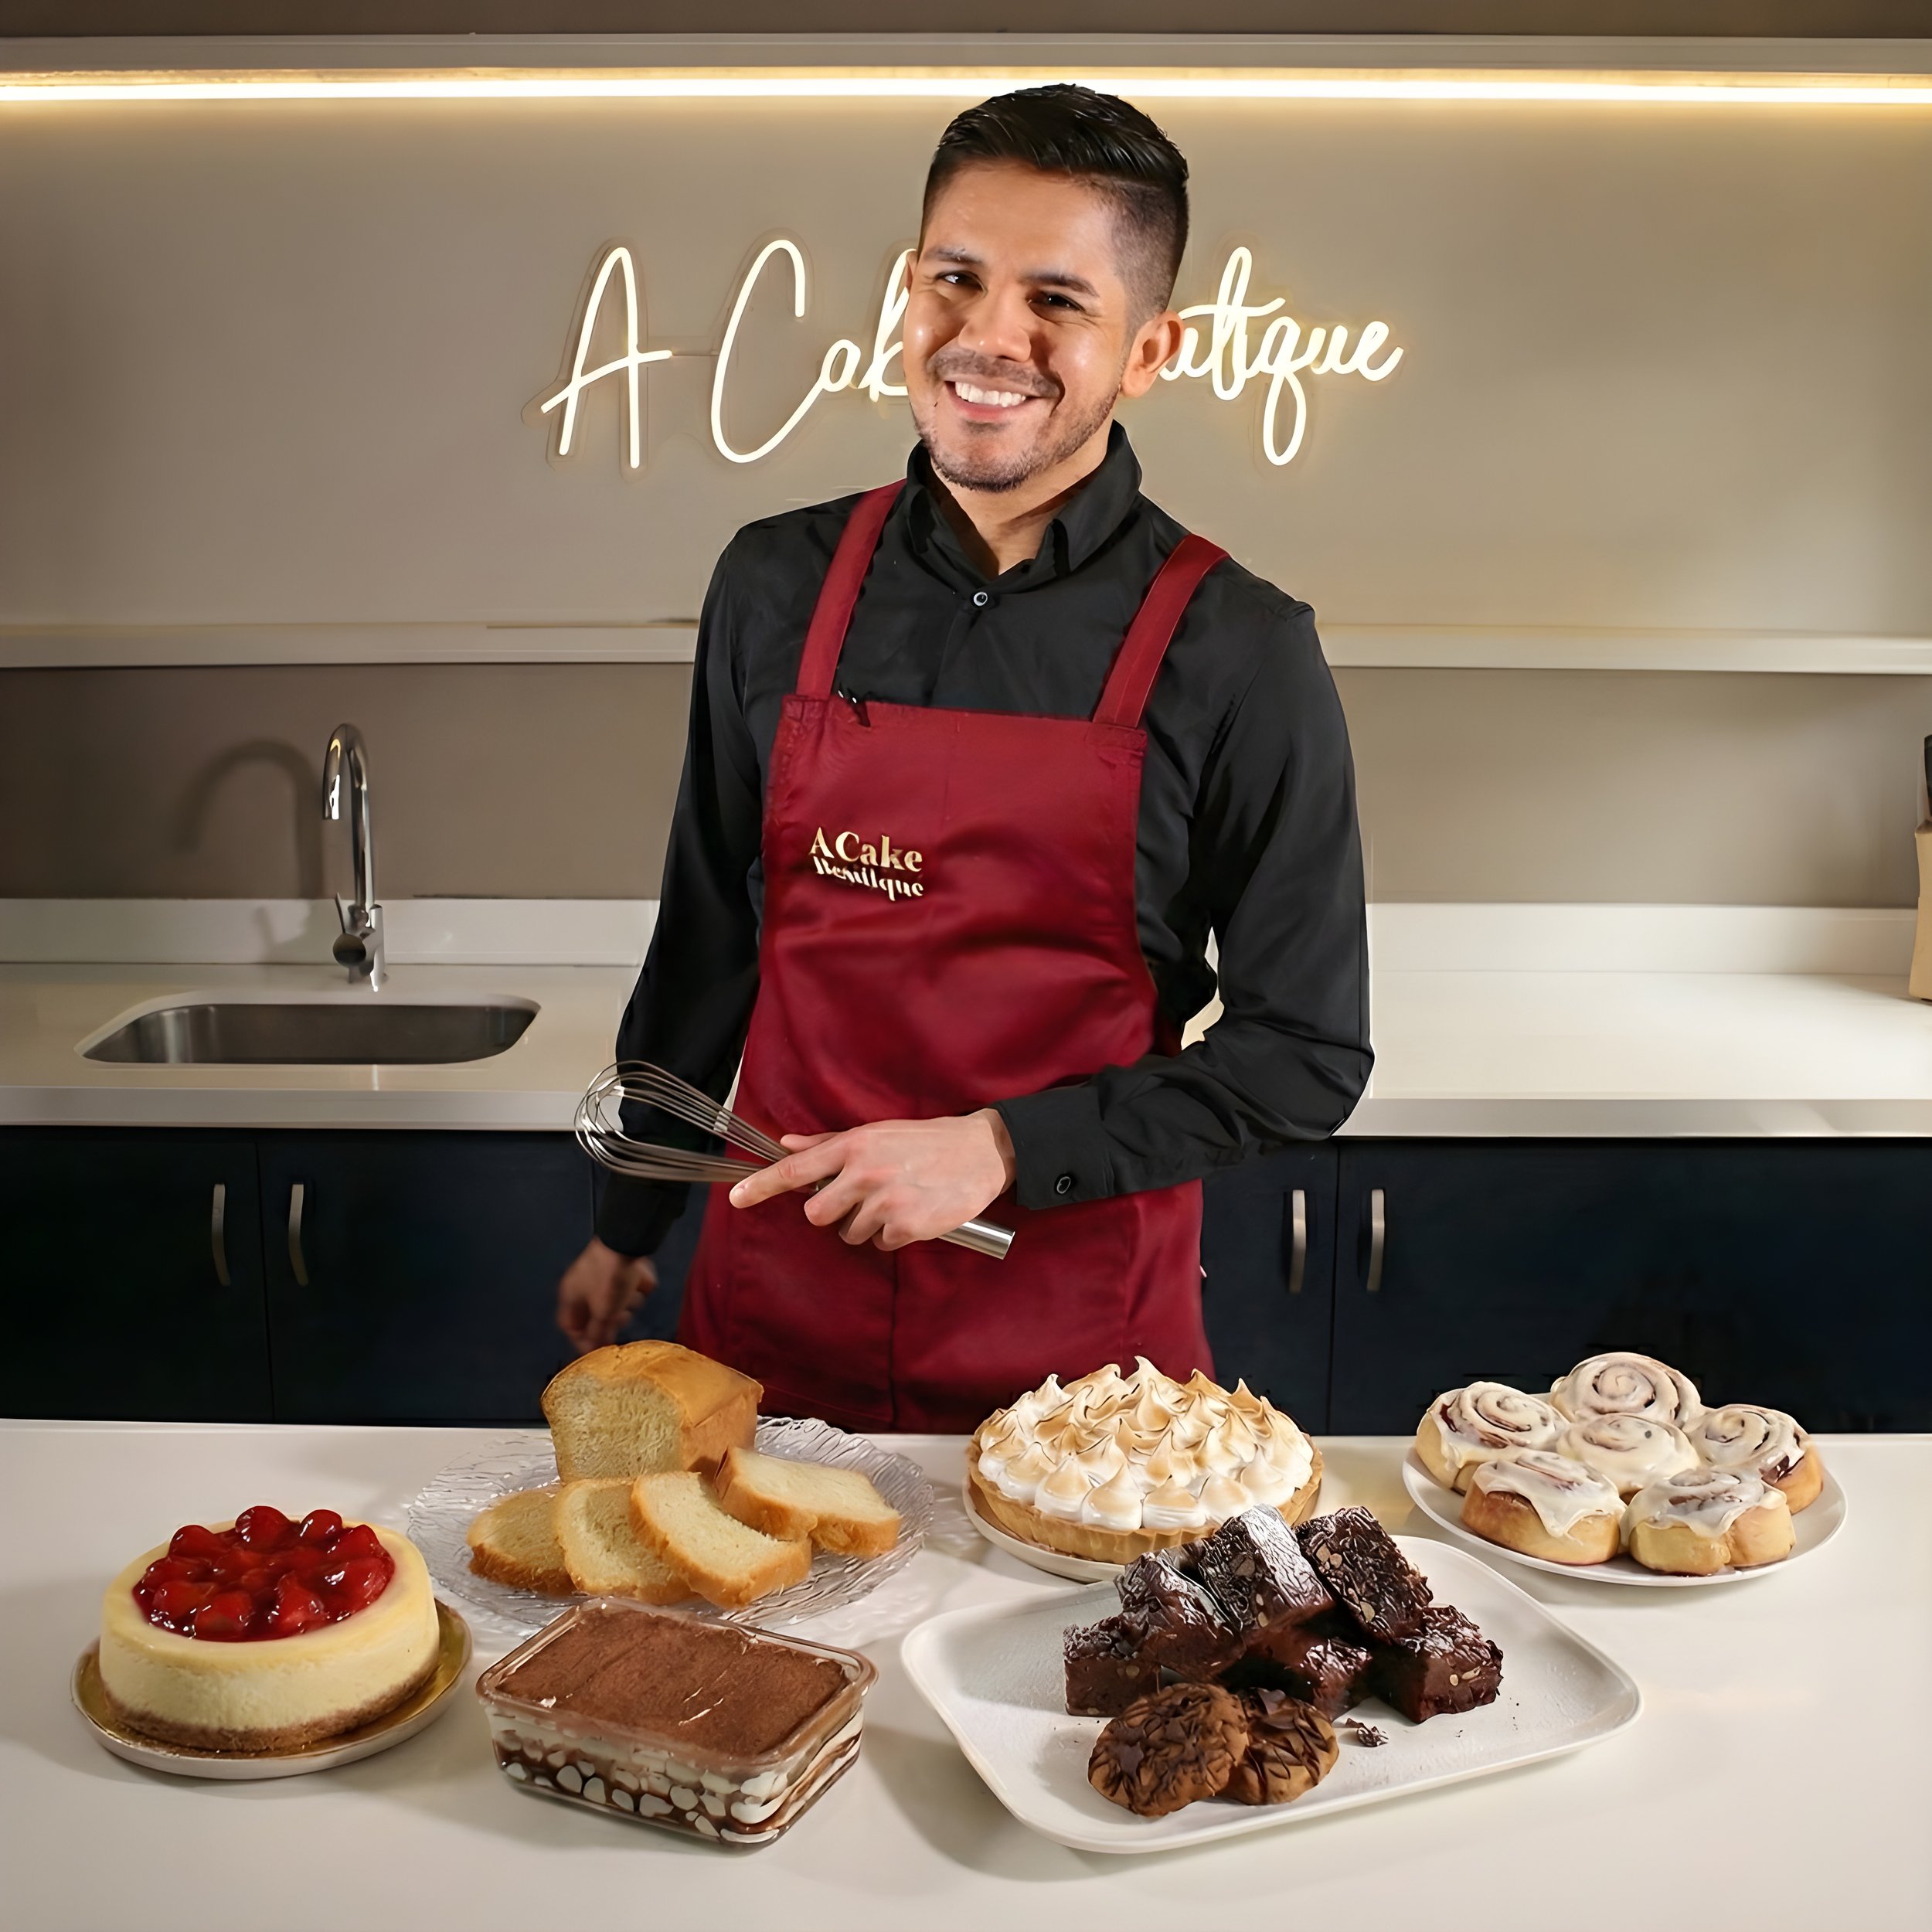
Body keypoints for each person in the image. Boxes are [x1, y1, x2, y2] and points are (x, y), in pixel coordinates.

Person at [556, 85, 1371, 1430]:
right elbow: (709, 944)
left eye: (1058, 300)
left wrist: (998, 1148)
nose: (991, 338)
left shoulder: (1241, 650)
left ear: (1149, 349)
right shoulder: (772, 584)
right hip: (776, 1315)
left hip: (1081, 1362)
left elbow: (1305, 1056)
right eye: (957, 278)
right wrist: (630, 1219)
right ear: (907, 290)